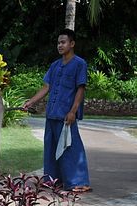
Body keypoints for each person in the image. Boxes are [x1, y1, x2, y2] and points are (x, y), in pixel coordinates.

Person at [23, 29, 91, 193]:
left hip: (66, 115)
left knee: (70, 148)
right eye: (58, 42)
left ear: (72, 44)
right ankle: (54, 181)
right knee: (51, 148)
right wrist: (31, 101)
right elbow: (46, 87)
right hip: (52, 114)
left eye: (63, 42)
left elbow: (80, 89)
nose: (60, 45)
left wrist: (73, 111)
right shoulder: (54, 66)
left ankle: (78, 182)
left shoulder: (79, 64)